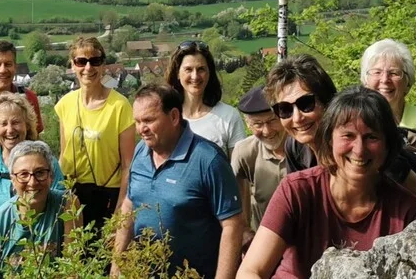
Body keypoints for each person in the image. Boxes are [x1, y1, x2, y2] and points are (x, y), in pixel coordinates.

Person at [237, 87, 416, 279]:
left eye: (371, 137)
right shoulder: (297, 191)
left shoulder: (408, 214)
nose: (359, 150)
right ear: (329, 140)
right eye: (348, 136)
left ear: (388, 146)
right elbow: (251, 271)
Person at [265, 54, 416, 209]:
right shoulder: (295, 148)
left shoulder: (364, 149)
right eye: (285, 109)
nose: (297, 118)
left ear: (328, 103)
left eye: (306, 104)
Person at [114, 84, 243, 279]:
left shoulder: (208, 160)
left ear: (174, 117)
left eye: (149, 120)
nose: (142, 129)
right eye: (138, 122)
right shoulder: (141, 152)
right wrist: (116, 269)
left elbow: (232, 225)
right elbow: (130, 205)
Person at [0, 93, 64, 276]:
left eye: (16, 122)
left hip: (42, 254)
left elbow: (61, 211)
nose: (10, 130)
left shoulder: (46, 162)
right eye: (3, 124)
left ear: (27, 125)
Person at [54, 36, 135, 235]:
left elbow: (128, 164)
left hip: (108, 194)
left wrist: (120, 208)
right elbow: (64, 154)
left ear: (103, 65)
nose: (88, 67)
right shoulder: (65, 104)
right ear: (73, 66)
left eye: (95, 61)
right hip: (72, 194)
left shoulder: (120, 106)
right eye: (81, 61)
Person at [0, 141, 77, 278]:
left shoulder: (66, 204)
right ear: (13, 180)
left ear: (51, 176)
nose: (32, 182)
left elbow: (72, 267)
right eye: (23, 174)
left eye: (40, 173)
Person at [230, 86, 290, 249]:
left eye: (272, 121)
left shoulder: (305, 148)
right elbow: (234, 199)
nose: (267, 131)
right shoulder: (245, 152)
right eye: (258, 124)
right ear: (248, 125)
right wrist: (245, 231)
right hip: (265, 244)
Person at [167, 40, 247, 155]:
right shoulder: (167, 118)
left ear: (209, 73)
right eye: (188, 69)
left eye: (201, 69)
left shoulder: (229, 116)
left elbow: (238, 168)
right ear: (177, 74)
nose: (195, 76)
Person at [361, 38, 416, 134]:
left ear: (408, 82)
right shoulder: (353, 122)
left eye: (394, 73)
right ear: (366, 80)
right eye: (377, 72)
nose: (384, 80)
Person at [0, 39, 44, 132]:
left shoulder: (29, 99)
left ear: (15, 67)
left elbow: (34, 137)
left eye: (8, 64)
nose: (3, 70)